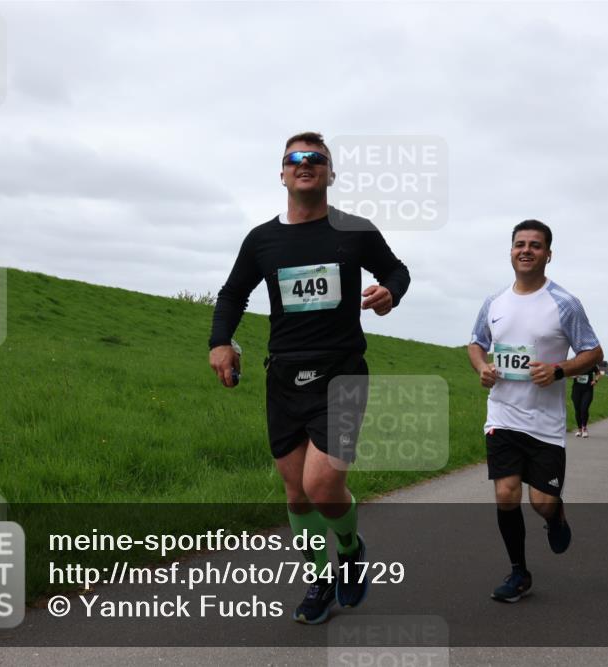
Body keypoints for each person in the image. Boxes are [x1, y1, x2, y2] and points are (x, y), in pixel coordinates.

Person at [208, 132, 411, 624]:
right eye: (295, 159)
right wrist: (219, 342)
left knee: (322, 485)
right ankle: (320, 579)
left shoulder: (354, 232)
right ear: (281, 173)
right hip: (284, 377)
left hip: (341, 374)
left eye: (316, 159)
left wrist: (389, 292)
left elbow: (397, 271)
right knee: (295, 491)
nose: (305, 164)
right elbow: (233, 294)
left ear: (329, 174)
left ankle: (350, 548)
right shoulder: (262, 240)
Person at [467, 219, 603, 603]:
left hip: (544, 424)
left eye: (535, 245)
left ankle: (556, 516)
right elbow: (476, 343)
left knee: (541, 502)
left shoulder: (565, 303)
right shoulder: (494, 303)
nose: (526, 250)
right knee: (506, 495)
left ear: (548, 254)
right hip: (503, 415)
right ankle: (518, 572)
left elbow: (594, 353)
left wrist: (558, 369)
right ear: (511, 250)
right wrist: (482, 368)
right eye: (520, 244)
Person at [571, 365, 598, 438]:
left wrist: (595, 380)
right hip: (576, 390)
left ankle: (584, 429)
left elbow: (598, 373)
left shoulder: (592, 363)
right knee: (577, 409)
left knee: (584, 408)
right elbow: (569, 373)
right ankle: (579, 429)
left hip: (588, 390)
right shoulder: (576, 362)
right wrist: (573, 376)